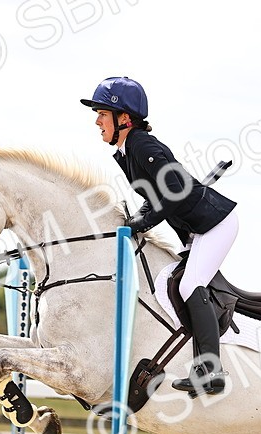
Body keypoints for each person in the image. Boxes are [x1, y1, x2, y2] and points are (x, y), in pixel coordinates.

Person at [81, 76, 236, 397]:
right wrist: (136, 219)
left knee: (190, 285)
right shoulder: (127, 151)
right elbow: (154, 195)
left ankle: (211, 371)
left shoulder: (142, 145)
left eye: (102, 113)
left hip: (215, 225)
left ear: (124, 118)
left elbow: (174, 191)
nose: (97, 121)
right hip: (195, 230)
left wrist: (144, 222)